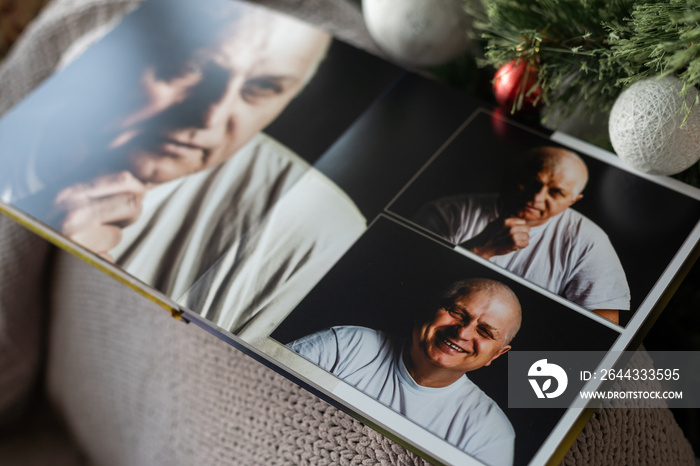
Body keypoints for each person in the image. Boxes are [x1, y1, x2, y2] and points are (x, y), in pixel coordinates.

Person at [0, 0, 365, 333]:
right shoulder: (42, 80)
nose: (210, 117)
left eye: (262, 88)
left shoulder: (312, 230)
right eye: (192, 67)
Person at [288, 278, 521, 466]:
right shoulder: (347, 345)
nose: (462, 333)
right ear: (428, 310)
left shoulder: (490, 432)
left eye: (485, 331)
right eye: (457, 313)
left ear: (496, 355)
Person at [413, 146, 629, 324]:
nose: (536, 197)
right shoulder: (445, 212)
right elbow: (410, 279)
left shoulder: (590, 241)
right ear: (513, 176)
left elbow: (604, 325)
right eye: (532, 183)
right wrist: (481, 248)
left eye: (556, 192)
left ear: (573, 201)